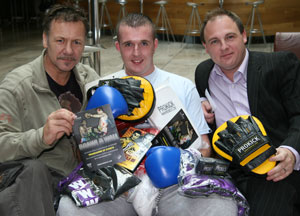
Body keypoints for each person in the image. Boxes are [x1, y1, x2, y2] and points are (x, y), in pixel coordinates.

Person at [57, 13, 238, 216]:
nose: (136, 52)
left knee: (221, 208)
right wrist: (93, 133)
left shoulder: (182, 86)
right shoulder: (100, 88)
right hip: (116, 186)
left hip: (172, 185)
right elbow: (85, 158)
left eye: (143, 43)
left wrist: (179, 160)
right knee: (69, 208)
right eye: (128, 44)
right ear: (118, 47)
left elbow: (205, 146)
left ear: (154, 45)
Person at [195, 8, 300, 216]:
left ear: (244, 36)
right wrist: (199, 103)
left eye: (230, 37)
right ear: (206, 47)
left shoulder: (279, 65)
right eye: (214, 41)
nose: (224, 47)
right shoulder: (203, 73)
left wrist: (291, 151)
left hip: (273, 167)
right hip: (227, 171)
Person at [0, 4, 99, 215]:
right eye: (60, 40)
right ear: (45, 40)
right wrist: (40, 138)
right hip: (37, 187)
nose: (69, 50)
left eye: (77, 42)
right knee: (35, 171)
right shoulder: (17, 87)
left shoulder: (90, 79)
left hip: (80, 180)